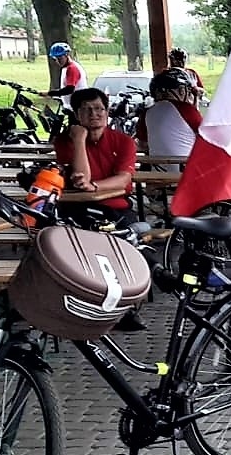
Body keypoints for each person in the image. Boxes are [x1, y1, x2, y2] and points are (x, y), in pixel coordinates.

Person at [53, 86, 143, 329]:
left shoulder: (123, 141)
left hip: (116, 207)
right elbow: (79, 177)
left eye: (100, 109)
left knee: (118, 245)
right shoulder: (65, 140)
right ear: (76, 115)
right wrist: (80, 140)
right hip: (77, 208)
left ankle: (123, 306)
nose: (95, 114)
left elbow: (123, 180)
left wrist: (94, 187)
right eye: (87, 110)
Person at [137, 69, 201, 168]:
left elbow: (143, 145)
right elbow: (204, 137)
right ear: (180, 90)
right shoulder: (187, 109)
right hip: (186, 172)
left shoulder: (146, 113)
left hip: (157, 173)